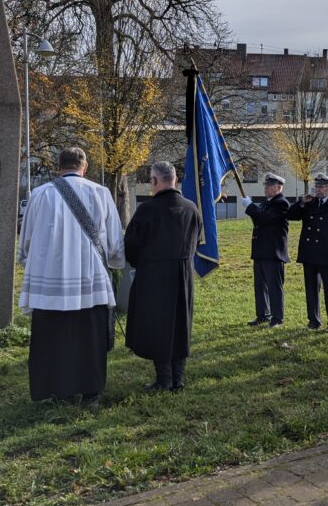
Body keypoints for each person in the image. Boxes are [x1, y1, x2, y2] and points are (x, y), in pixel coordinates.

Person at [17, 147, 124, 408]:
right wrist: (115, 262)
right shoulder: (101, 193)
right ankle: (91, 394)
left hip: (49, 283)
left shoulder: (39, 195)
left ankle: (58, 392)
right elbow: (114, 242)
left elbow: (26, 241)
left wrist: (30, 260)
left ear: (58, 167)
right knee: (90, 338)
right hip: (90, 280)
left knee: (53, 338)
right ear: (84, 167)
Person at [124, 162, 202, 391]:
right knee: (180, 323)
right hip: (184, 275)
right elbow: (196, 241)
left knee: (159, 325)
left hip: (154, 276)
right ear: (175, 179)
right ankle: (178, 378)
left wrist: (143, 264)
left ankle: (165, 379)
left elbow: (131, 246)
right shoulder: (191, 208)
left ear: (155, 181)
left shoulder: (147, 210)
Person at [287, 173, 328, 333]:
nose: (318, 190)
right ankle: (314, 320)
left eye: (322, 187)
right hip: (310, 252)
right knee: (311, 288)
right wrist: (301, 202)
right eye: (317, 187)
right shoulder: (310, 202)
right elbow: (290, 215)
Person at [242, 173, 290, 328]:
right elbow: (258, 218)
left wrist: (250, 206)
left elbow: (266, 218)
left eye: (269, 185)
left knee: (274, 287)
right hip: (261, 250)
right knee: (260, 286)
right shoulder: (266, 203)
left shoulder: (281, 203)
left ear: (278, 187)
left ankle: (277, 318)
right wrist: (252, 208)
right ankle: (262, 315)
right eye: (265, 185)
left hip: (273, 252)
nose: (266, 188)